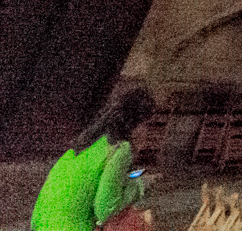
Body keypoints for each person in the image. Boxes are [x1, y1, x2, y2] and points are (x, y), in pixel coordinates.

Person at [31, 84, 154, 230]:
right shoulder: (121, 149)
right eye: (146, 124)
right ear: (134, 123)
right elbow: (106, 208)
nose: (147, 132)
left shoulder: (86, 141)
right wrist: (140, 186)